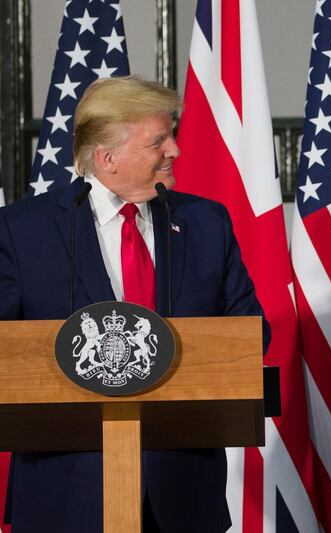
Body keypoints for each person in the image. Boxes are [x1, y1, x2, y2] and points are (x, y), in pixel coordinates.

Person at [0, 76, 268, 532]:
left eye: (172, 136)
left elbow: (250, 332)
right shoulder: (22, 231)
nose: (175, 151)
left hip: (182, 490)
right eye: (158, 140)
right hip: (64, 494)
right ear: (107, 158)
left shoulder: (205, 222)